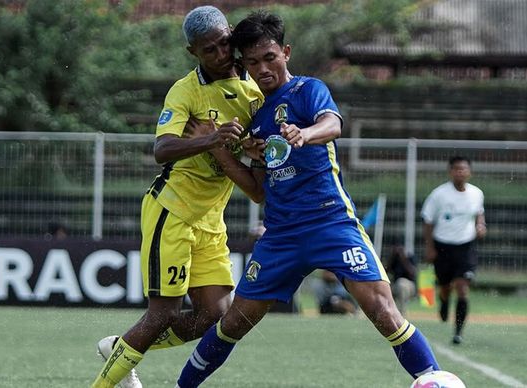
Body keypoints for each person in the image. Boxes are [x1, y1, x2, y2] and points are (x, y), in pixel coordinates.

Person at [174, 11, 440, 387]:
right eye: (252, 62)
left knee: (382, 309)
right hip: (281, 235)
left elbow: (333, 124)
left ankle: (433, 379)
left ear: (285, 52)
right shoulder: (257, 116)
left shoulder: (307, 90)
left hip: (331, 222)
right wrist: (223, 151)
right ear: (243, 65)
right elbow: (256, 190)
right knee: (233, 323)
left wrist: (306, 133)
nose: (262, 68)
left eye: (269, 57)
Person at [91, 6, 264, 388]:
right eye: (208, 50)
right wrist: (211, 139)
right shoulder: (186, 90)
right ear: (193, 53)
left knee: (215, 316)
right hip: (173, 210)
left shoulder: (256, 88)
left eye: (223, 44)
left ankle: (121, 348)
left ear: (231, 35)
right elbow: (162, 148)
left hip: (211, 219)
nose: (220, 55)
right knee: (163, 314)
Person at [421, 156, 486, 345]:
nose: (460, 172)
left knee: (462, 288)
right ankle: (443, 301)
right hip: (443, 246)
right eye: (456, 169)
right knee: (445, 287)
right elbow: (428, 221)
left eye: (464, 169)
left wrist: (481, 226)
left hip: (466, 246)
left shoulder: (476, 193)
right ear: (450, 172)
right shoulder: (439, 195)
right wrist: (430, 247)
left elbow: (479, 214)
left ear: (470, 172)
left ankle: (458, 332)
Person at [384, 243, 417, 315]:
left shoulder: (409, 257)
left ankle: (401, 312)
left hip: (408, 287)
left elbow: (412, 273)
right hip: (395, 285)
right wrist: (391, 257)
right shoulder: (393, 260)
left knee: (401, 283)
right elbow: (384, 272)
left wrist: (403, 257)